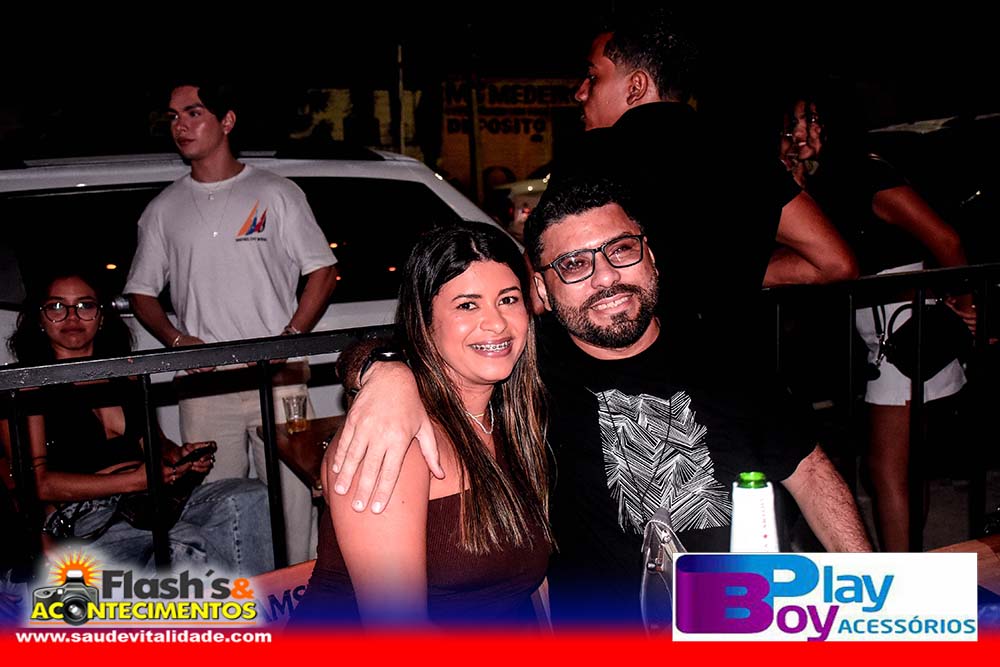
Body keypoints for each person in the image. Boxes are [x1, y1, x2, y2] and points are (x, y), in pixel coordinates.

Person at [326, 177, 871, 626]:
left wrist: (871, 598)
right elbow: (406, 341)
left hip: (739, 619)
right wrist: (384, 373)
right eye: (574, 264)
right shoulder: (529, 367)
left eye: (620, 250)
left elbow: (810, 470)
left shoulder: (723, 355)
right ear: (544, 291)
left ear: (650, 255)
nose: (606, 276)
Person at [293, 222, 551, 626]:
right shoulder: (393, 437)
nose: (496, 323)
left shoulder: (514, 421)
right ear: (425, 321)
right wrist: (385, 371)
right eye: (467, 305)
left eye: (508, 299)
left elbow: (528, 584)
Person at [124, 81, 338, 564]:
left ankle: (296, 598)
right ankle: (235, 601)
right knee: (216, 508)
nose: (180, 125)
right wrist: (177, 340)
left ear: (227, 121)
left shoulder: (275, 192)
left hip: (278, 381)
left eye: (193, 112)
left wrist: (291, 338)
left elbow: (323, 270)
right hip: (205, 385)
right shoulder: (163, 209)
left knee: (293, 506)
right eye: (173, 116)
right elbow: (140, 292)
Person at [554, 8, 857, 333]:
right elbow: (835, 262)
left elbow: (543, 287)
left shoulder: (589, 158)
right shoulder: (742, 156)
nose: (580, 92)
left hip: (627, 360)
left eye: (593, 77)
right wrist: (735, 274)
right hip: (728, 359)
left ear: (636, 86)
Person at [783, 88, 976, 552]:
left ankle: (900, 571)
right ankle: (912, 558)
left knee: (885, 469)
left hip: (904, 333)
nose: (799, 132)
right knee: (905, 467)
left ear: (835, 123)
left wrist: (969, 303)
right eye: (793, 123)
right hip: (892, 331)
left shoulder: (866, 172)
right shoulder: (831, 180)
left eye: (812, 120)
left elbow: (945, 239)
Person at [1, 270, 273, 574]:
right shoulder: (26, 387)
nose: (72, 316)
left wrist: (178, 457)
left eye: (85, 305)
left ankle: (257, 600)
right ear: (40, 318)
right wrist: (135, 480)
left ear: (101, 317)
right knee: (180, 544)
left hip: (149, 500)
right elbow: (35, 484)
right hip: (84, 516)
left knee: (250, 498)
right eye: (56, 306)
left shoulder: (127, 377)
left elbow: (155, 445)